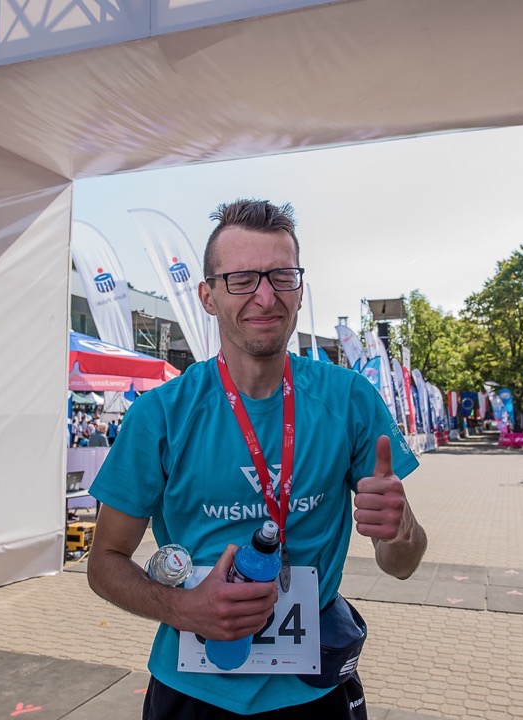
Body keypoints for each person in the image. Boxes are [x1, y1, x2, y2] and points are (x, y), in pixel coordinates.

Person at [87, 199, 427, 719]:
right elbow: (104, 563)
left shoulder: (349, 399)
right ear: (208, 296)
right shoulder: (160, 414)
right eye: (242, 279)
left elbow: (401, 565)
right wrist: (184, 608)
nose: (265, 296)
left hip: (314, 693)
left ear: (299, 289)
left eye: (281, 276)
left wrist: (401, 532)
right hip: (193, 692)